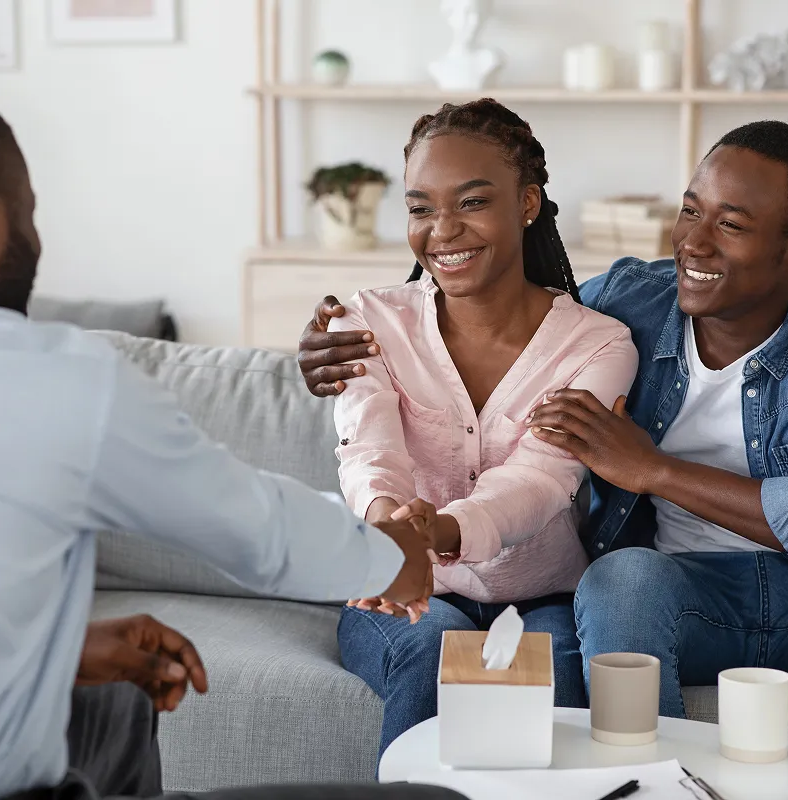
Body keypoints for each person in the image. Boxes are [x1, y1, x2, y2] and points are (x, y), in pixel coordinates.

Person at [0, 79, 467, 800]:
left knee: (110, 713)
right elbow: (254, 529)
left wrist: (56, 653)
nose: (36, 241)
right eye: (29, 214)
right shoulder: (36, 373)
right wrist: (392, 558)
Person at [296, 119, 788, 800]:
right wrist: (331, 354)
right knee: (620, 580)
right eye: (690, 211)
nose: (693, 242)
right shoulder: (632, 301)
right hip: (682, 592)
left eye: (732, 225)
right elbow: (509, 309)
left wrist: (653, 470)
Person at [329, 98, 638, 760]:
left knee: (557, 683)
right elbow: (369, 451)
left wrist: (433, 533)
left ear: (527, 203)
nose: (442, 230)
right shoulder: (367, 322)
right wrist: (391, 531)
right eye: (420, 208)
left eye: (471, 203)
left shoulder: (597, 344)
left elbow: (541, 479)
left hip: (542, 597)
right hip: (401, 587)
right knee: (428, 650)